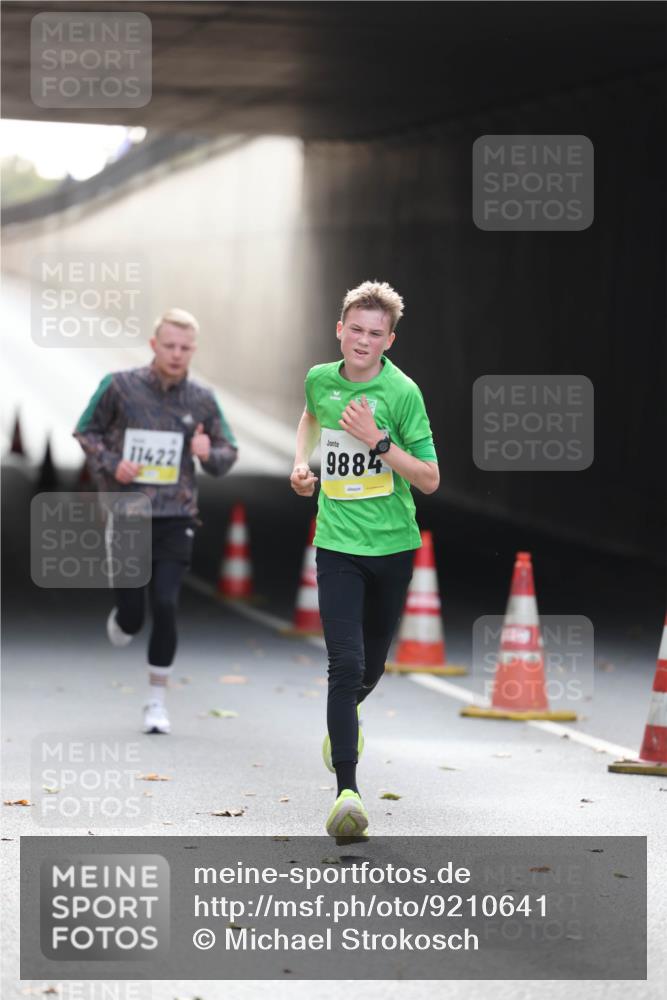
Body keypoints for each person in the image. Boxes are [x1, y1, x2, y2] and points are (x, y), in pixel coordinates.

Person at [290, 280, 439, 837]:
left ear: (389, 341)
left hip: (394, 547)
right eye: (355, 329)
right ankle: (347, 793)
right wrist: (302, 467)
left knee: (370, 669)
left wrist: (377, 440)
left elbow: (428, 479)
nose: (363, 340)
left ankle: (342, 724)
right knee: (345, 664)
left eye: (375, 334)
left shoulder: (403, 394)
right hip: (336, 545)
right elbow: (310, 417)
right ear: (340, 330)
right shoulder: (319, 380)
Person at [74, 307, 238, 734]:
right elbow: (84, 431)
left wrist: (207, 452)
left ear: (193, 350)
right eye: (170, 345)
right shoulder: (119, 387)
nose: (177, 353)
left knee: (165, 602)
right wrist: (113, 464)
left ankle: (156, 702)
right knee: (133, 615)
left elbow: (227, 454)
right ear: (154, 345)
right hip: (128, 510)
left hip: (176, 513)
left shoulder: (202, 399)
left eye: (185, 347)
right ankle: (124, 619)